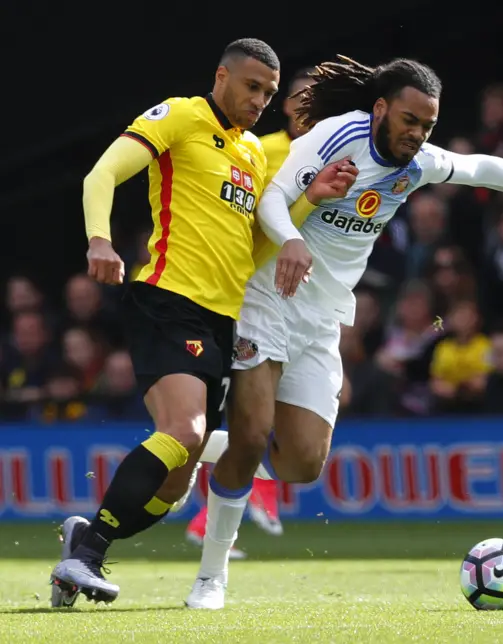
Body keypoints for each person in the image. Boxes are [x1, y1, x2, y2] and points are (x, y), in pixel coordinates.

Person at [182, 54, 503, 610]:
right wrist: (290, 239)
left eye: (428, 125)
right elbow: (270, 198)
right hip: (268, 295)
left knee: (302, 465)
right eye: (410, 120)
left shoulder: (419, 164)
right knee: (255, 427)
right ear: (381, 108)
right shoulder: (336, 137)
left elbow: (481, 167)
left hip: (323, 316)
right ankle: (210, 578)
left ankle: (205, 447)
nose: (418, 133)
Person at [49, 40, 357, 608]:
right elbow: (102, 173)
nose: (260, 100)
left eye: (268, 91)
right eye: (251, 86)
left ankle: (87, 539)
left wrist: (308, 200)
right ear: (222, 76)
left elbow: (255, 245)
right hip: (169, 301)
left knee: (174, 485)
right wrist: (100, 237)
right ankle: (83, 558)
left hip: (223, 322)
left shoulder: (253, 156)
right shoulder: (181, 116)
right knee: (186, 432)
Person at [185, 68, 317, 549]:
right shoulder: (264, 150)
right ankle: (207, 502)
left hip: (309, 309)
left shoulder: (337, 156)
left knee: (279, 435)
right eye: (302, 99)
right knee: (248, 424)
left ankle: (189, 460)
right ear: (286, 105)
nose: (310, 109)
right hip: (254, 298)